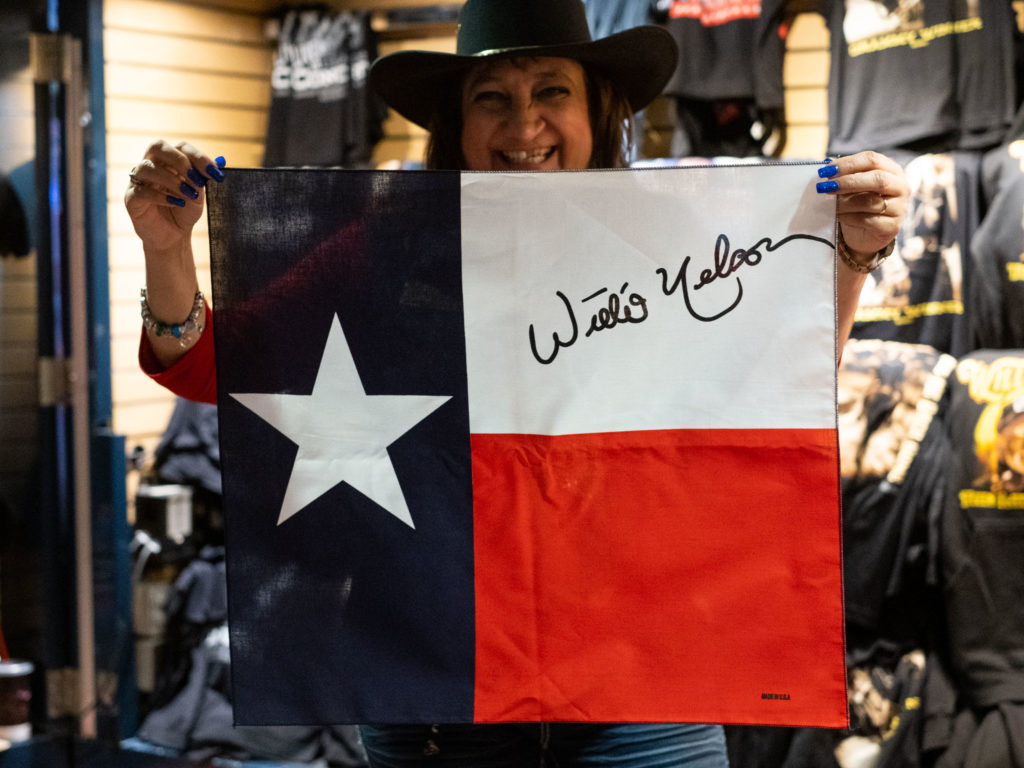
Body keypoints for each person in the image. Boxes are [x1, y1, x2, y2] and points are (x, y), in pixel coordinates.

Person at [124, 0, 911, 764]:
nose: (524, 123)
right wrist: (167, 252)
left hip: (641, 695)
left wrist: (847, 257)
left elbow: (778, 380)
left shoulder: (671, 242)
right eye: (492, 97)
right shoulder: (382, 246)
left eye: (551, 92)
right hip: (437, 691)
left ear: (598, 109)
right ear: (456, 125)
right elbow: (211, 366)